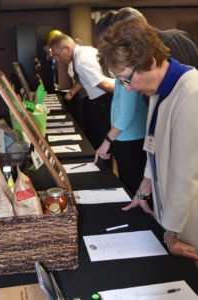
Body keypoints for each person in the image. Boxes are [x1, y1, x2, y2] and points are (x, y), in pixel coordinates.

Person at [97, 18, 198, 261]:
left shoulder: (190, 93)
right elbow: (153, 144)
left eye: (126, 78)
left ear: (150, 62)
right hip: (170, 215)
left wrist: (172, 233)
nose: (127, 88)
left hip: (187, 218)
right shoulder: (160, 88)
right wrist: (144, 189)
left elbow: (185, 175)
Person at [94, 6, 198, 195]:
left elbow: (184, 168)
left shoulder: (184, 87)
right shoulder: (154, 85)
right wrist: (147, 183)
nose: (128, 87)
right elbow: (156, 134)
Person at [94, 8, 148, 195]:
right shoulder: (124, 64)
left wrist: (107, 141)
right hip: (127, 137)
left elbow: (126, 112)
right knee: (130, 182)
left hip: (131, 137)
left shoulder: (128, 64)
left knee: (133, 185)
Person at [48, 34, 115, 151]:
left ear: (67, 49)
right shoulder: (85, 52)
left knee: (98, 143)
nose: (57, 60)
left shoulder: (81, 60)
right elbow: (83, 80)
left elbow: (104, 85)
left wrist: (123, 92)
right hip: (101, 100)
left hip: (102, 102)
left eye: (57, 55)